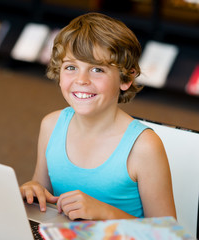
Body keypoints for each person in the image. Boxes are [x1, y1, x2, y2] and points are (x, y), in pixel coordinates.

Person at [19, 12, 176, 220]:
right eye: (71, 67)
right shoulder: (51, 124)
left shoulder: (143, 147)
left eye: (97, 69)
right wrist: (33, 189)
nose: (81, 80)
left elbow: (168, 235)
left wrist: (105, 212)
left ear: (125, 79)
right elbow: (43, 190)